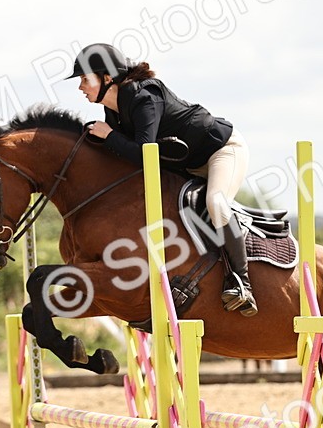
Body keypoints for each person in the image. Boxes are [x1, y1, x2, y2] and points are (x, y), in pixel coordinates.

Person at [70, 43, 257, 316]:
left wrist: (109, 136)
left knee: (216, 202)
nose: (80, 87)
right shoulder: (114, 110)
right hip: (186, 165)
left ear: (107, 78)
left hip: (221, 151)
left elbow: (145, 154)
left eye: (85, 80)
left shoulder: (144, 97)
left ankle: (241, 282)